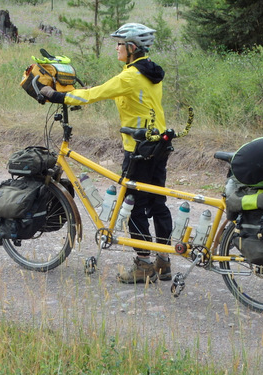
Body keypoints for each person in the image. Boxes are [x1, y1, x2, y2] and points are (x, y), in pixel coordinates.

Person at [40, 23, 173, 284]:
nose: (116, 48)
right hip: (158, 144)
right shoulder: (149, 71)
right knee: (157, 202)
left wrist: (56, 95)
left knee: (134, 204)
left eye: (120, 44)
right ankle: (163, 261)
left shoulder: (130, 76)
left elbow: (94, 94)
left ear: (132, 48)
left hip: (139, 149)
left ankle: (144, 264)